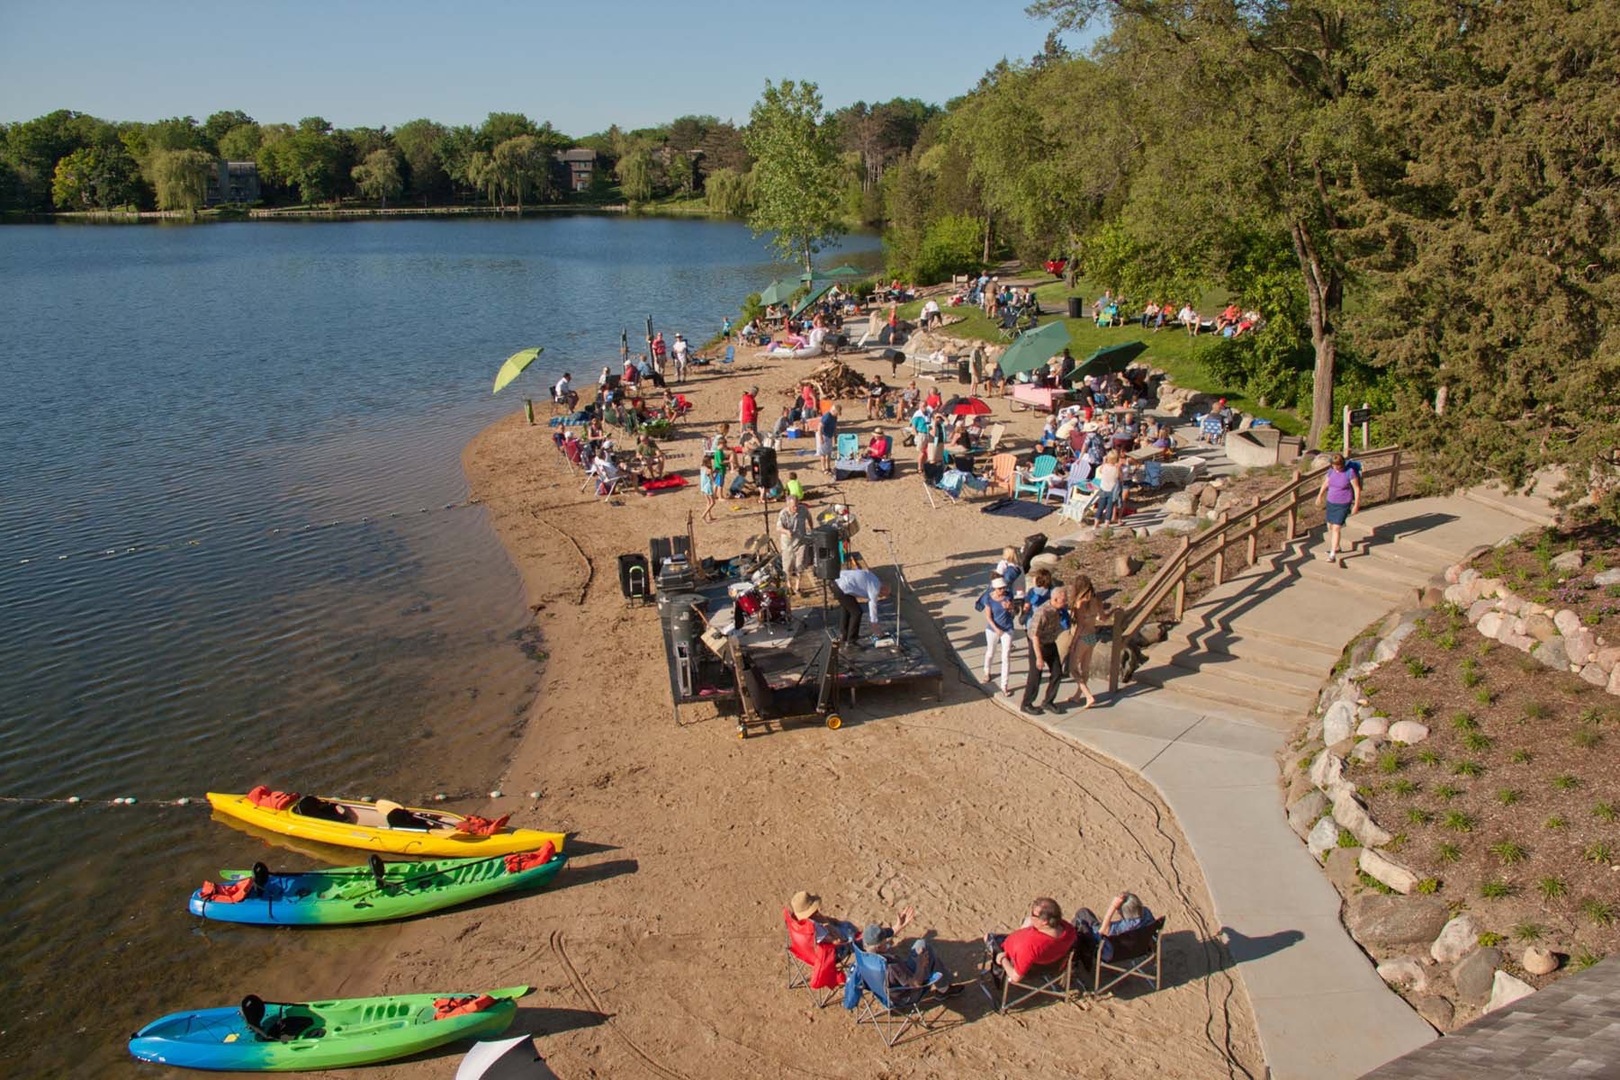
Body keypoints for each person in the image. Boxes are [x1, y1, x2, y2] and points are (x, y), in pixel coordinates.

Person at [857, 908, 962, 999]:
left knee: (922, 946)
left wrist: (898, 926)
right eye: (885, 940)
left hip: (880, 991)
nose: (888, 940)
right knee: (925, 950)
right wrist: (921, 965)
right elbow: (915, 984)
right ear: (879, 946)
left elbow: (887, 936)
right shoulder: (891, 965)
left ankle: (944, 986)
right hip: (903, 995)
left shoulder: (863, 953)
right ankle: (944, 989)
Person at [985, 897, 1078, 983]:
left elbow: (1015, 977)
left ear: (1044, 922)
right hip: (1054, 964)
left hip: (1014, 956)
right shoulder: (1068, 930)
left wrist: (1002, 959)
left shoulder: (1030, 946)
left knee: (988, 937)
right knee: (1028, 921)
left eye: (1033, 914)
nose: (1031, 916)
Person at [1021, 585, 1069, 716]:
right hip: (1039, 645)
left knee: (1057, 672)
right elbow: (1034, 635)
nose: (1066, 602)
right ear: (1055, 599)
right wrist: (1039, 657)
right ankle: (1026, 704)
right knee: (1035, 676)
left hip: (1050, 643)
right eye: (1064, 600)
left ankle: (1048, 701)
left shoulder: (1057, 610)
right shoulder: (1043, 612)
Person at [1064, 575, 1110, 708]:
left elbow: (1079, 626)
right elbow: (1103, 617)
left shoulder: (1080, 603)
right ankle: (1078, 695)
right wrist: (1113, 611)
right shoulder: (1096, 601)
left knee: (1073, 668)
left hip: (1081, 637)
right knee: (1085, 667)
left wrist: (1073, 643)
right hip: (1092, 636)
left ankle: (1088, 696)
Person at [1074, 892, 1155, 963]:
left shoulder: (1123, 926)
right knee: (1087, 917)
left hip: (1110, 953)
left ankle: (1073, 955)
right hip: (1139, 949)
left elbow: (1102, 931)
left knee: (1083, 913)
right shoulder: (1146, 912)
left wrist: (1113, 906)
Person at [1315, 453, 1361, 563]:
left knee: (1336, 528)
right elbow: (1326, 484)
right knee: (1330, 526)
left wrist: (1356, 505)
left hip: (1343, 503)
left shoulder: (1350, 473)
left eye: (1338, 466)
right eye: (1334, 465)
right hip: (1331, 502)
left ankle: (1332, 554)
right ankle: (1337, 546)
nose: (1336, 468)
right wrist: (1320, 496)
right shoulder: (1331, 472)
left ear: (1342, 464)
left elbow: (1357, 489)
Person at [787, 890, 858, 955]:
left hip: (810, 953)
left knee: (841, 925)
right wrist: (832, 929)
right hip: (832, 952)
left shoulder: (801, 926)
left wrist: (826, 921)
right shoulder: (815, 929)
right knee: (849, 927)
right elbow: (837, 941)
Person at [833, 567, 889, 648]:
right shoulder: (875, 588)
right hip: (842, 586)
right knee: (857, 612)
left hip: (835, 582)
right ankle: (851, 641)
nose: (880, 596)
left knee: (846, 608)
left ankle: (843, 636)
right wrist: (874, 623)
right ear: (883, 589)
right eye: (883, 595)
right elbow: (872, 605)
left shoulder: (873, 578)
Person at [979, 576, 1016, 696]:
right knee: (991, 652)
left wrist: (1010, 607)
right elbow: (988, 617)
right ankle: (987, 671)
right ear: (995, 588)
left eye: (1004, 588)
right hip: (993, 630)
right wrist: (996, 629)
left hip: (1007, 629)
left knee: (1006, 656)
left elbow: (1014, 611)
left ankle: (1004, 685)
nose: (1002, 590)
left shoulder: (1008, 596)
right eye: (1000, 588)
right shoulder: (988, 599)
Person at [775, 494, 814, 594]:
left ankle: (797, 586)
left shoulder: (803, 510)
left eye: (797, 505)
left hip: (801, 542)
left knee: (799, 565)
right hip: (788, 545)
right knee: (787, 567)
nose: (795, 508)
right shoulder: (783, 514)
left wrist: (811, 528)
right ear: (788, 505)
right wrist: (786, 531)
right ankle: (789, 585)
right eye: (793, 506)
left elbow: (809, 517)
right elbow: (778, 528)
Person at [817, 403, 839, 475]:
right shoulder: (827, 416)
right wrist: (821, 438)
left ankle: (828, 467)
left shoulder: (835, 417)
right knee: (823, 453)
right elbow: (819, 427)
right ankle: (824, 468)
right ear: (834, 411)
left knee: (828, 453)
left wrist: (835, 436)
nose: (837, 414)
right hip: (823, 435)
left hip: (829, 435)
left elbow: (835, 427)